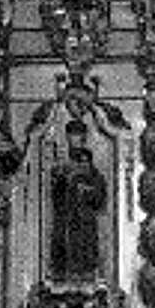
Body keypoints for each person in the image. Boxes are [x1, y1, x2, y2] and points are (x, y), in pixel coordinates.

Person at [49, 120, 107, 282]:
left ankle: (86, 277)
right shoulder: (61, 165)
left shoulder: (91, 168)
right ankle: (61, 276)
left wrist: (87, 191)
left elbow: (99, 196)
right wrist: (61, 179)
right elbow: (55, 195)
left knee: (85, 252)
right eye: (72, 135)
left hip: (84, 221)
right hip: (65, 220)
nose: (75, 139)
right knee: (63, 249)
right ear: (67, 137)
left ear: (84, 137)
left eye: (78, 135)